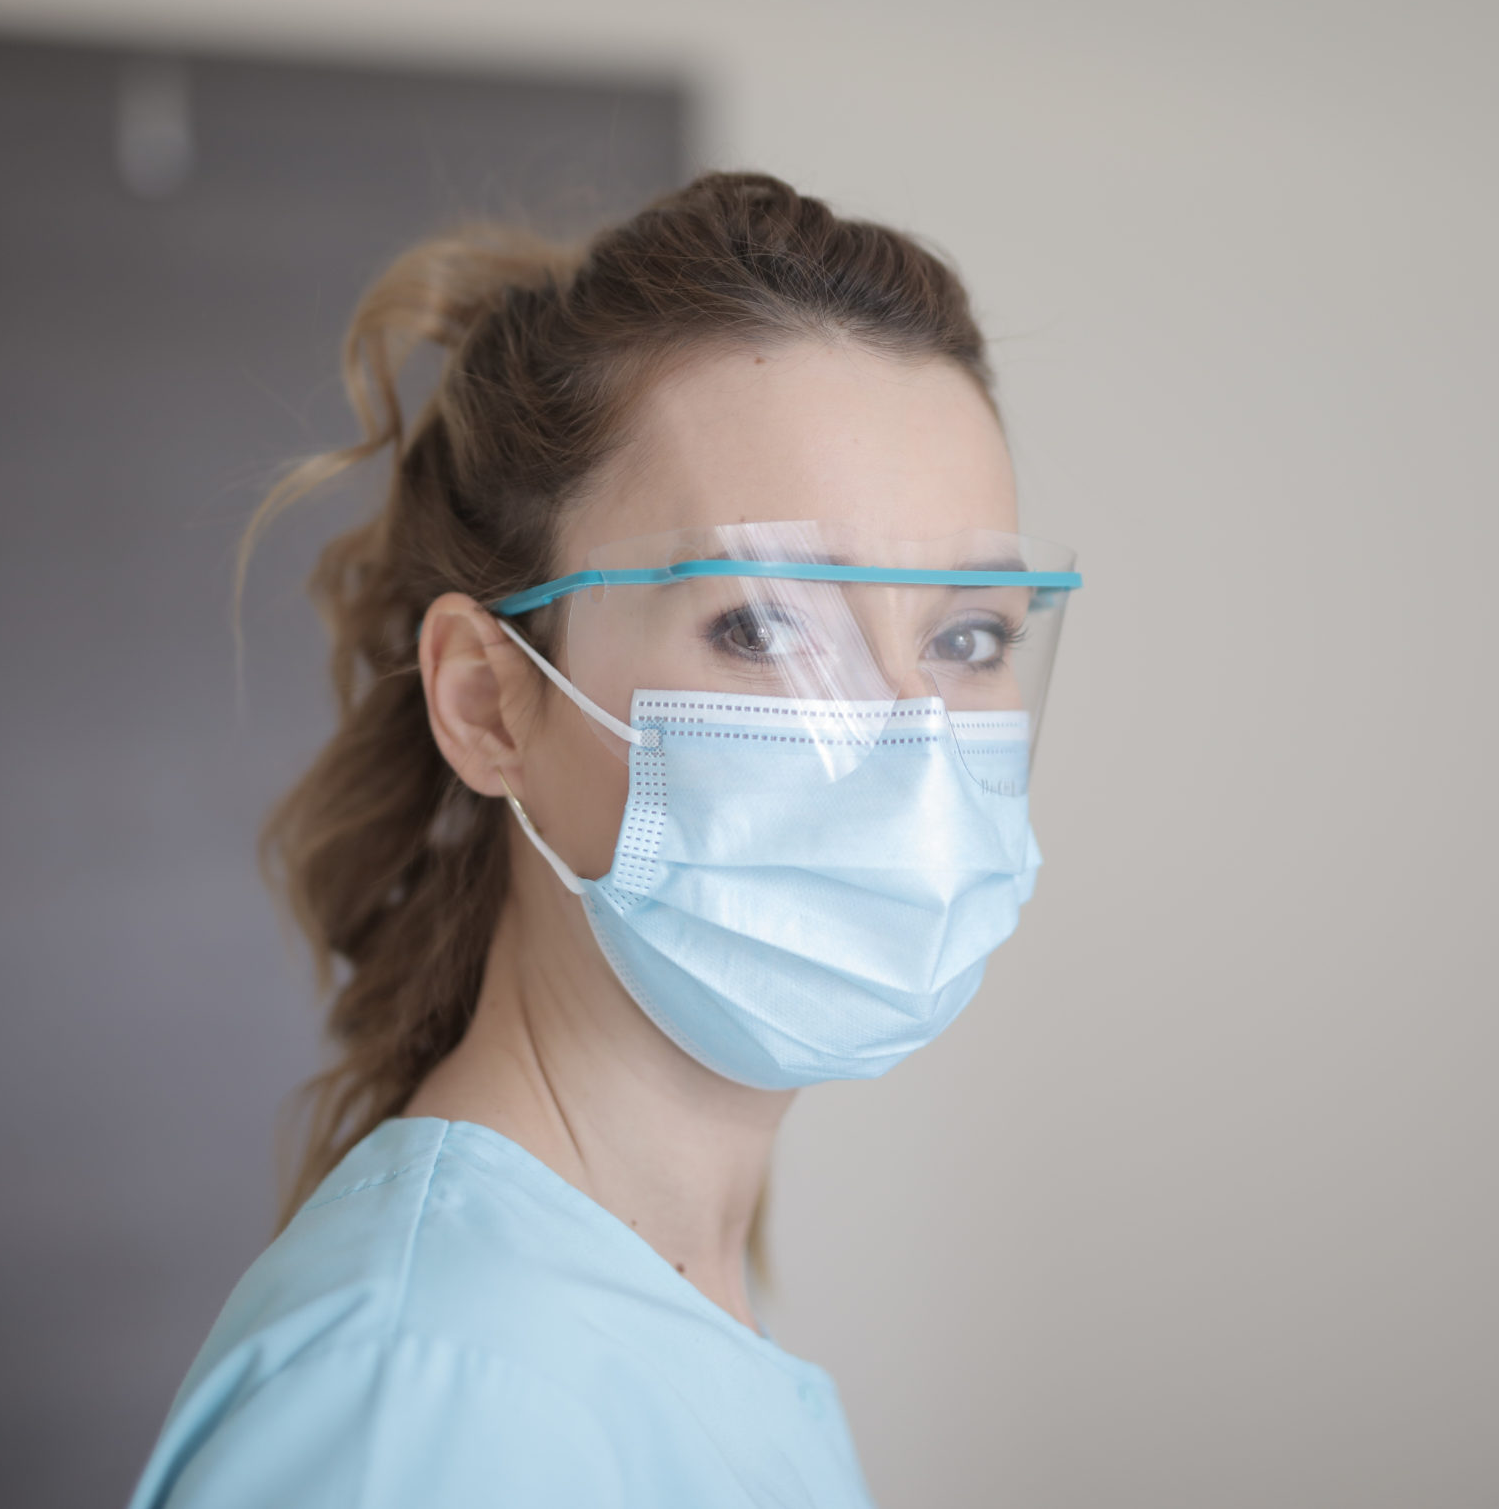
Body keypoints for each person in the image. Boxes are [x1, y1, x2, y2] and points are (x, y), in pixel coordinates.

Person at [126, 172, 1079, 1507]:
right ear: (487, 701)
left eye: (968, 637)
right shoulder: (425, 1395)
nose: (910, 752)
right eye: (761, 627)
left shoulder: (653, 1296)